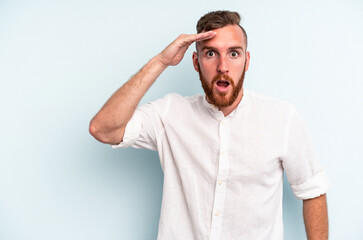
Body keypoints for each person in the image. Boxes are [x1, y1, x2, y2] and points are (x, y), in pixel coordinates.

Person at [89, 10, 329, 240]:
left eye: (233, 54)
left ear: (247, 61)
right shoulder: (170, 114)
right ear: (196, 61)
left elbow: (313, 191)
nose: (223, 66)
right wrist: (161, 61)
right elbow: (103, 129)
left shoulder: (282, 118)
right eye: (211, 53)